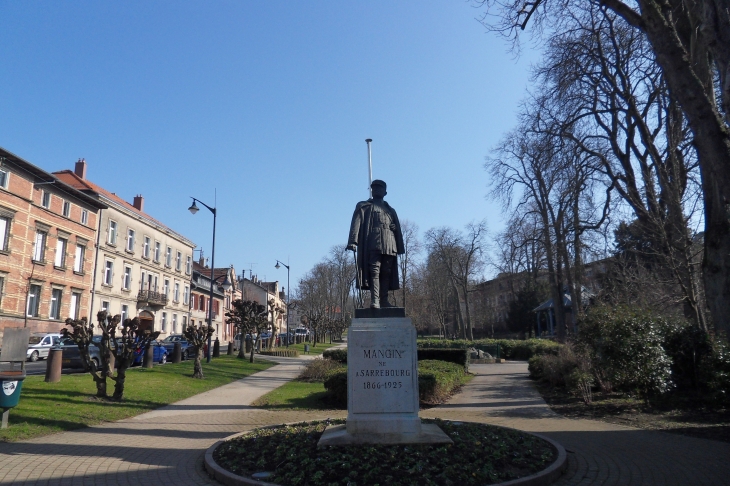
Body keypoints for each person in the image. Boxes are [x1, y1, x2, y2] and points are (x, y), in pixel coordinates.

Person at [347, 180, 405, 308]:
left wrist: (394, 228)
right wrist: (352, 241)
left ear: (385, 192)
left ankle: (384, 301)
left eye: (380, 188)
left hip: (390, 242)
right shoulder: (364, 206)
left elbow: (397, 228)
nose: (377, 190)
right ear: (372, 191)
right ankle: (375, 300)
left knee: (386, 271)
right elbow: (356, 223)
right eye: (374, 188)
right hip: (373, 241)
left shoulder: (391, 209)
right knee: (374, 270)